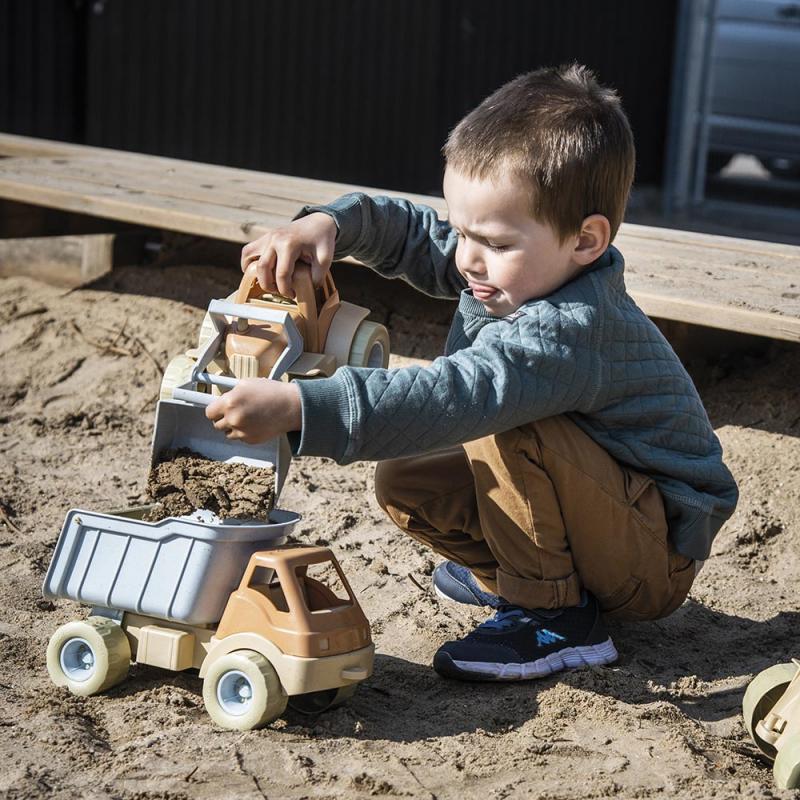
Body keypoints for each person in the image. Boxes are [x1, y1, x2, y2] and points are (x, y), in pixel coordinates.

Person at [206, 64, 739, 682]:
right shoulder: (512, 266)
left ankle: (556, 616)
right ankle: (521, 574)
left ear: (586, 241)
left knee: (506, 421)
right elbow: (412, 233)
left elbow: (456, 394)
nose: (467, 258)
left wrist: (305, 406)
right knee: (408, 479)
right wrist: (329, 224)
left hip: (657, 550)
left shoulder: (567, 328)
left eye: (494, 242)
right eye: (462, 231)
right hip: (606, 515)